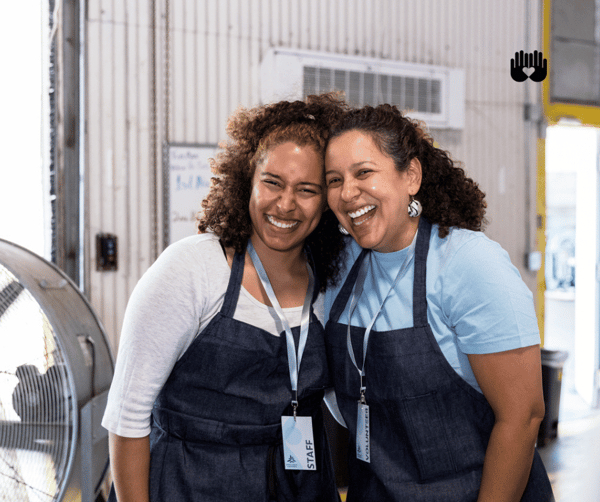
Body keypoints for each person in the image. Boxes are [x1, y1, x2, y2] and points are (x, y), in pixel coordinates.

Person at [102, 94, 348, 502]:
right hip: (189, 484)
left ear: (327, 201)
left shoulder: (331, 284)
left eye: (308, 190)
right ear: (247, 178)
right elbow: (127, 418)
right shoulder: (193, 269)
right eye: (272, 182)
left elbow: (341, 401)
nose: (285, 204)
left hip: (300, 485)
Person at [322, 103, 554, 501]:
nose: (347, 193)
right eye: (333, 180)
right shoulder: (341, 271)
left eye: (364, 172)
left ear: (410, 175)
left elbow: (523, 416)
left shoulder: (466, 263)